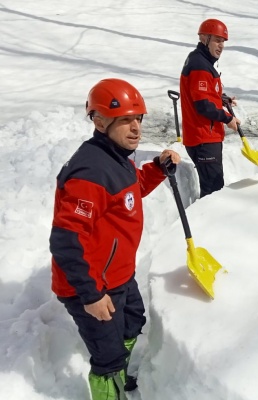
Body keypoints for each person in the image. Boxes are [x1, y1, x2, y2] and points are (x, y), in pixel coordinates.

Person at [49, 78, 181, 400]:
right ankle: (111, 384)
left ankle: (121, 370)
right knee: (107, 357)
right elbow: (66, 240)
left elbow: (130, 191)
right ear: (99, 120)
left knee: (134, 320)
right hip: (92, 285)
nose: (136, 128)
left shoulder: (116, 157)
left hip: (117, 275)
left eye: (139, 119)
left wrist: (157, 170)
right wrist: (91, 295)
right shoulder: (89, 173)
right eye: (126, 120)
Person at [180, 18, 240, 198]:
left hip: (205, 136)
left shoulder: (201, 61)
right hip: (203, 138)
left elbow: (203, 94)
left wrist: (222, 99)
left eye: (223, 42)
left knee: (214, 188)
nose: (221, 46)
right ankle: (209, 224)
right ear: (204, 39)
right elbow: (203, 106)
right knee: (213, 192)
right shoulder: (200, 66)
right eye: (217, 40)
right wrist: (228, 118)